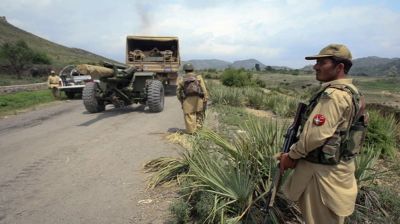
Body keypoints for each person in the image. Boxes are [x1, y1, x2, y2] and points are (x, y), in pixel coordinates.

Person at [279, 44, 366, 224]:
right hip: (338, 170)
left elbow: (315, 136)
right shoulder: (353, 92)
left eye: (322, 62)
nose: (315, 66)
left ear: (340, 67)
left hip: (321, 176)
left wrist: (291, 155)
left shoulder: (333, 95)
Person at [176, 63, 209, 134]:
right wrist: (205, 97)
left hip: (187, 99)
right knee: (199, 113)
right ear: (193, 69)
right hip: (198, 98)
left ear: (184, 70)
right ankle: (199, 131)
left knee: (189, 115)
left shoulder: (182, 79)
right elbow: (203, 88)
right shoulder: (198, 77)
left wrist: (181, 100)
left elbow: (178, 91)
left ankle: (191, 132)